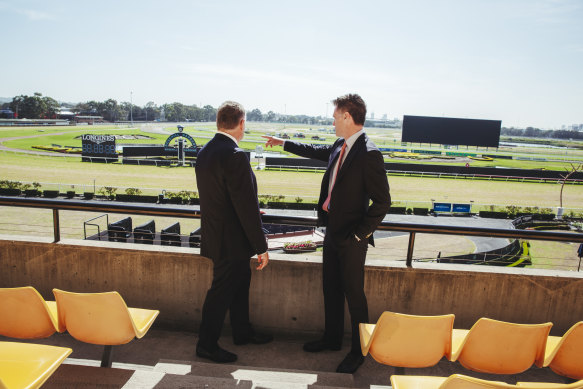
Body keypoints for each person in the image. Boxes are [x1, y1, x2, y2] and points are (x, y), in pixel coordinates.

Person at [263, 93, 391, 373]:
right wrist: (283, 143)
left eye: (335, 116)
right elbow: (313, 149)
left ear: (347, 116)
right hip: (331, 231)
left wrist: (360, 236)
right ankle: (332, 340)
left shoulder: (370, 153)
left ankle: (358, 352)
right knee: (330, 289)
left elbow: (383, 202)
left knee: (355, 297)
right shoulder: (339, 145)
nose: (332, 121)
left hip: (352, 239)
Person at [195, 101, 272, 363]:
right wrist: (262, 247)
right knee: (220, 292)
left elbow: (222, 196)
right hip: (233, 241)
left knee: (240, 285)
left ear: (219, 122)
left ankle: (242, 332)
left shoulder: (205, 151)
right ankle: (206, 344)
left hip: (217, 235)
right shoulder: (235, 155)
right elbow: (245, 205)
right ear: (241, 123)